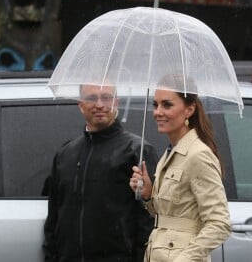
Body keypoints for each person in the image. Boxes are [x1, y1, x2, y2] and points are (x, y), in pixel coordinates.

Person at [43, 83, 159, 262]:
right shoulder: (65, 154)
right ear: (80, 105)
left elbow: (149, 220)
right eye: (91, 98)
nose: (99, 104)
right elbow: (53, 219)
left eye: (106, 97)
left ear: (117, 102)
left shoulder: (137, 151)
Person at [130, 75, 231, 262]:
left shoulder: (198, 154)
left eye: (167, 105)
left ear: (189, 109)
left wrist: (184, 259)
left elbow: (220, 224)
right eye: (155, 104)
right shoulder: (170, 153)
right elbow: (170, 217)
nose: (157, 112)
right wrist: (148, 194)